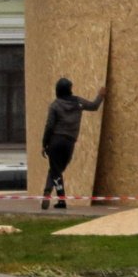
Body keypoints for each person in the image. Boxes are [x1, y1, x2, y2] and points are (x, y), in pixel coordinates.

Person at [40, 76, 106, 210]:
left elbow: (49, 126)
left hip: (55, 141)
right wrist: (101, 95)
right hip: (69, 142)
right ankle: (53, 195)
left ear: (57, 90)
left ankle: (55, 197)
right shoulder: (78, 102)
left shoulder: (55, 105)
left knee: (55, 171)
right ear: (70, 89)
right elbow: (94, 106)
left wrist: (44, 143)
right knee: (56, 170)